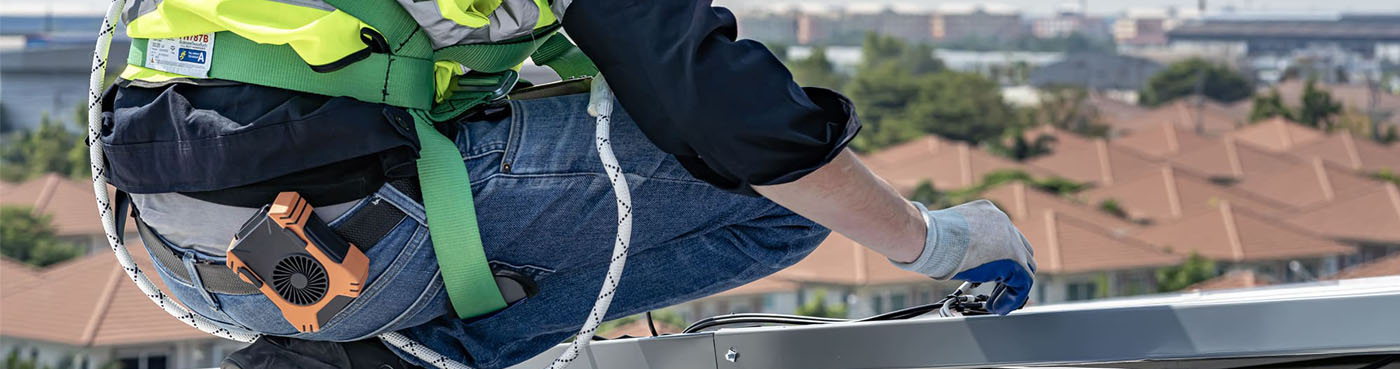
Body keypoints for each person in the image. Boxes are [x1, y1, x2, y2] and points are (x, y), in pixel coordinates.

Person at [101, 0, 1035, 368]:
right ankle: (388, 360)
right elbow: (725, 115)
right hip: (343, 249)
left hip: (183, 246)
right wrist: (936, 241)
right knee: (772, 193)